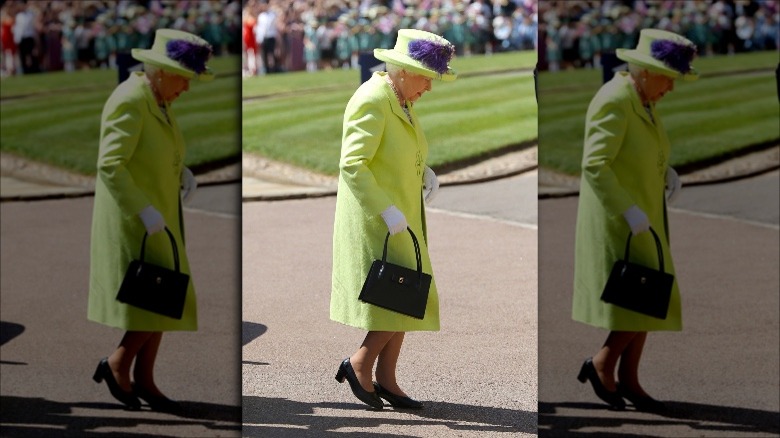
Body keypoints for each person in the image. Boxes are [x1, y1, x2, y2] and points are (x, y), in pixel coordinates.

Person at [330, 29, 456, 410]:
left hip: (400, 214)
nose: (429, 88)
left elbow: (396, 151)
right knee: (399, 296)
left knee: (406, 293)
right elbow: (353, 163)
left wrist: (423, 171)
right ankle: (359, 364)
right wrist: (385, 209)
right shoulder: (373, 98)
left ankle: (386, 378)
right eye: (427, 78)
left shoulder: (399, 99)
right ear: (402, 70)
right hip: (379, 217)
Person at [572, 28, 697, 412]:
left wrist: (665, 172)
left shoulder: (641, 98)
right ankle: (602, 364)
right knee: (642, 297)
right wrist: (627, 209)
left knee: (647, 295)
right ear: (645, 71)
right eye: (669, 78)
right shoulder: (616, 98)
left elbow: (641, 151)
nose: (671, 88)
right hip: (621, 217)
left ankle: (628, 379)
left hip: (642, 212)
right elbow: (595, 165)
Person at [88, 29, 213, 413]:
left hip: (159, 213)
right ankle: (118, 364)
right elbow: (111, 164)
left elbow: (154, 150)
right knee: (157, 297)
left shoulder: (156, 98)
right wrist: (142, 209)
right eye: (185, 78)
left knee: (165, 295)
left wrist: (181, 171)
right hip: (137, 218)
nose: (187, 88)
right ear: (161, 71)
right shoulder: (131, 99)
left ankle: (144, 378)